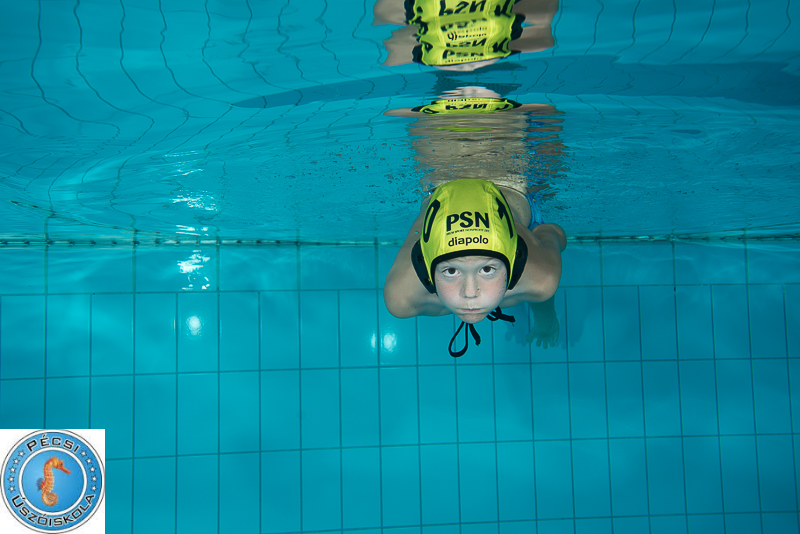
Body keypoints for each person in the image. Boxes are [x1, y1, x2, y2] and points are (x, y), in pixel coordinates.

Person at [384, 178, 566, 356]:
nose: (470, 293)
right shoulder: (403, 297)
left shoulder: (541, 278)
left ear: (516, 263)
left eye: (487, 269)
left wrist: (546, 319)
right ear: (424, 269)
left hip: (511, 190)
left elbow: (550, 232)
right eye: (451, 271)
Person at [373, 0, 559, 71]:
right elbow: (542, 30)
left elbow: (392, 44)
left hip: (433, 61)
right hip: (502, 57)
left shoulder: (392, 8)